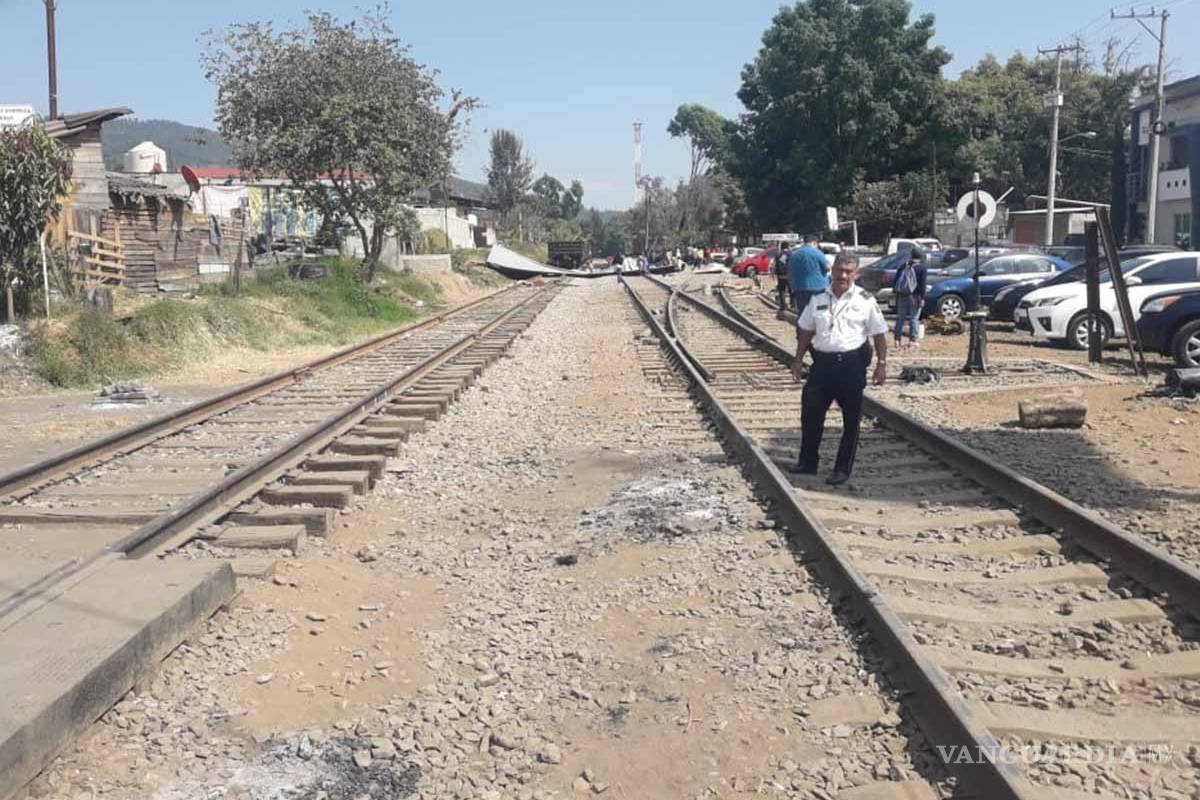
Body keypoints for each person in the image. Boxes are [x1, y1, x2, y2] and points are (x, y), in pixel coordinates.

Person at [789, 254, 888, 486]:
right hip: (822, 365)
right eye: (839, 270)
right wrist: (798, 359)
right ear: (831, 271)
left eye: (848, 271)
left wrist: (881, 364)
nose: (843, 275)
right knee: (810, 415)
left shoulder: (865, 300)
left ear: (856, 274)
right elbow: (806, 331)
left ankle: (842, 469)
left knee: (851, 421)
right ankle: (807, 462)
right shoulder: (818, 299)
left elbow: (879, 334)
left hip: (851, 366)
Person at [893, 245, 927, 350]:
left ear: (911, 255)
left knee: (900, 318)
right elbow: (922, 285)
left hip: (902, 295)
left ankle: (897, 340)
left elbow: (896, 280)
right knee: (914, 319)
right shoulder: (921, 268)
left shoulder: (904, 266)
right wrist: (922, 298)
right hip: (915, 296)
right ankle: (912, 341)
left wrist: (896, 292)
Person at [788, 234, 830, 317]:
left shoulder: (794, 255)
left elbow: (790, 272)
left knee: (803, 313)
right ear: (814, 243)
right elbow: (827, 268)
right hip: (818, 287)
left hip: (799, 287)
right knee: (819, 312)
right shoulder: (818, 253)